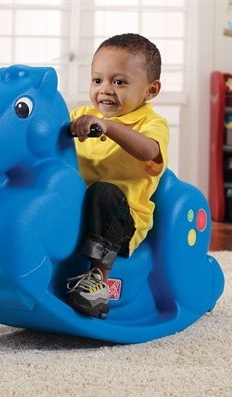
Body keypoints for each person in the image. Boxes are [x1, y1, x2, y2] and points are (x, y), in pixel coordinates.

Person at [66, 33, 169, 319]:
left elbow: (150, 150)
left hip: (121, 222)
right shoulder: (81, 115)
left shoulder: (151, 123)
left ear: (151, 90)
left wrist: (109, 127)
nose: (105, 90)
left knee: (105, 191)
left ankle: (98, 281)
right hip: (78, 210)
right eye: (97, 80)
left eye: (119, 82)